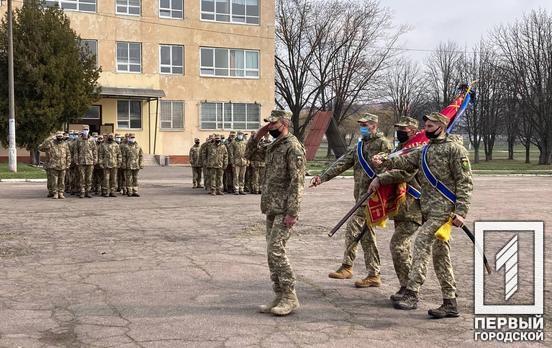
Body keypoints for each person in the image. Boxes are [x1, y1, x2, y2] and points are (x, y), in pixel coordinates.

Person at [369, 111, 473, 318]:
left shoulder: (455, 150)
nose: (426, 129)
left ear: (441, 127)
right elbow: (404, 162)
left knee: (421, 243)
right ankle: (450, 302)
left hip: (444, 211)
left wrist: (462, 211)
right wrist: (384, 162)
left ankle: (412, 293)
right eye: (426, 126)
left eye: (430, 126)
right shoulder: (424, 150)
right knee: (440, 255)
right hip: (427, 209)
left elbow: (465, 182)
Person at [311, 113, 392, 288]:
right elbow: (342, 163)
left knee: (359, 229)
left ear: (374, 125)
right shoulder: (360, 145)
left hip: (373, 197)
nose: (362, 127)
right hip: (360, 197)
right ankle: (358, 269)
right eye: (361, 124)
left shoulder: (383, 144)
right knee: (363, 233)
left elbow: (389, 168)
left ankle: (365, 271)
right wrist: (322, 177)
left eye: (365, 124)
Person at [246, 110, 306, 316]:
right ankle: (279, 294)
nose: (270, 127)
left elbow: (297, 182)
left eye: (273, 124)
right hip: (272, 207)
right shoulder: (274, 146)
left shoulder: (293, 147)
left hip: (285, 209)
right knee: (271, 254)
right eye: (268, 124)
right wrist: (258, 134)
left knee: (276, 250)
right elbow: (250, 154)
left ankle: (290, 296)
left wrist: (293, 212)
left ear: (284, 123)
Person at [375, 116, 423, 302]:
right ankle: (405, 287)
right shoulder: (399, 150)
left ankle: (411, 289)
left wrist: (382, 177)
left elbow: (406, 172)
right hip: (400, 206)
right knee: (404, 249)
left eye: (403, 128)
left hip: (414, 206)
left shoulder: (417, 149)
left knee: (398, 245)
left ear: (413, 130)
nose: (399, 131)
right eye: (398, 128)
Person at [39, 131, 71, 199]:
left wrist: (68, 164)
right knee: (54, 181)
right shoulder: (51, 143)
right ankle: (55, 193)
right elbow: (41, 148)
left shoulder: (65, 144)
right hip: (53, 165)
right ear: (56, 137)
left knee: (62, 180)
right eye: (58, 136)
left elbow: (68, 155)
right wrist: (49, 138)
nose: (60, 138)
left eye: (61, 136)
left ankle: (61, 193)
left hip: (63, 165)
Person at [75, 125, 97, 198]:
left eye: (87, 129)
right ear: (82, 130)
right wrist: (76, 160)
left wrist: (95, 159)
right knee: (82, 177)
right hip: (81, 161)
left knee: (89, 177)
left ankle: (88, 191)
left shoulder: (92, 140)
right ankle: (82, 191)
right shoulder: (78, 140)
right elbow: (76, 151)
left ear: (89, 130)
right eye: (84, 129)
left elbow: (95, 151)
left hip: (90, 161)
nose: (85, 130)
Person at [98, 133, 122, 197]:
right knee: (106, 179)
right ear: (107, 137)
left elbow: (119, 155)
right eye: (109, 136)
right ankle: (106, 192)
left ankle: (112, 191)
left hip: (114, 164)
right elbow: (100, 155)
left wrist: (119, 162)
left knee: (114, 179)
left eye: (112, 136)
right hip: (106, 164)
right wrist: (100, 163)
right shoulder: (103, 145)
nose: (110, 137)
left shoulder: (116, 145)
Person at [229, 131, 249, 195]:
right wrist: (232, 162)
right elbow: (231, 153)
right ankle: (236, 189)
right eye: (239, 134)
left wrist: (248, 161)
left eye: (241, 134)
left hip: (244, 161)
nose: (240, 135)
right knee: (236, 176)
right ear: (237, 135)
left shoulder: (245, 142)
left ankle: (241, 189)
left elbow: (248, 152)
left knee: (242, 176)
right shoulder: (233, 142)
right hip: (236, 161)